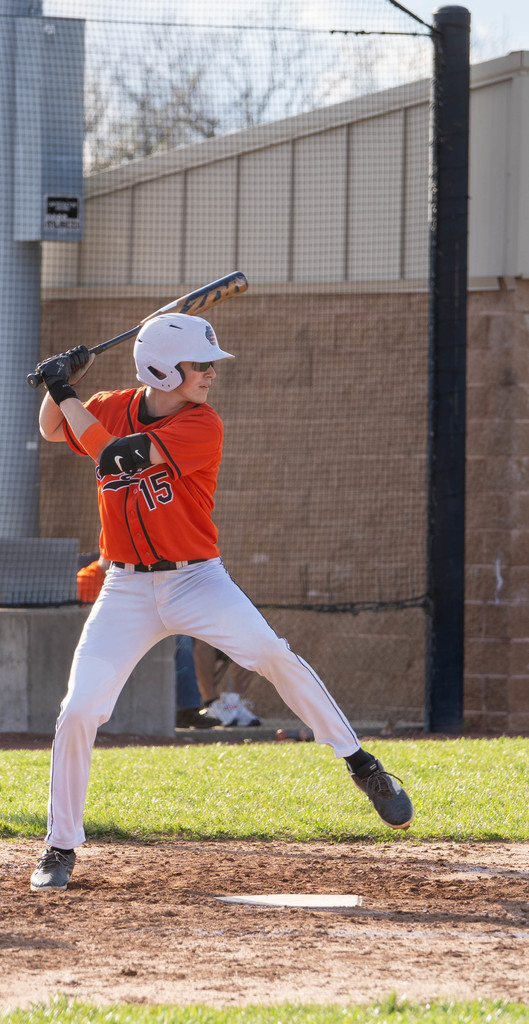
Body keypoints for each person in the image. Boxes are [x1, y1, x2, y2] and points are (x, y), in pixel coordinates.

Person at [30, 313, 414, 892]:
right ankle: (61, 845)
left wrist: (63, 387)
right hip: (126, 586)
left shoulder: (203, 425)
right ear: (161, 368)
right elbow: (54, 430)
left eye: (210, 364)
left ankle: (362, 764)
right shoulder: (107, 404)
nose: (210, 373)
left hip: (197, 581)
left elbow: (115, 459)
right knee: (79, 709)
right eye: (199, 365)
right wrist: (60, 381)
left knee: (272, 653)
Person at [76, 555, 219, 729]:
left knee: (182, 639)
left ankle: (187, 710)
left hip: (144, 629)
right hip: (107, 637)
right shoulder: (86, 579)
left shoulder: (143, 578)